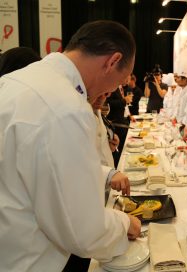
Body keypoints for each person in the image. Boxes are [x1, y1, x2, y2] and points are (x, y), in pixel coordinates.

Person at [0, 20, 141, 272]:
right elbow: (84, 229)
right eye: (118, 82)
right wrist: (124, 224)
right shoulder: (67, 108)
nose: (111, 90)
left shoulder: (12, 81)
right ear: (111, 61)